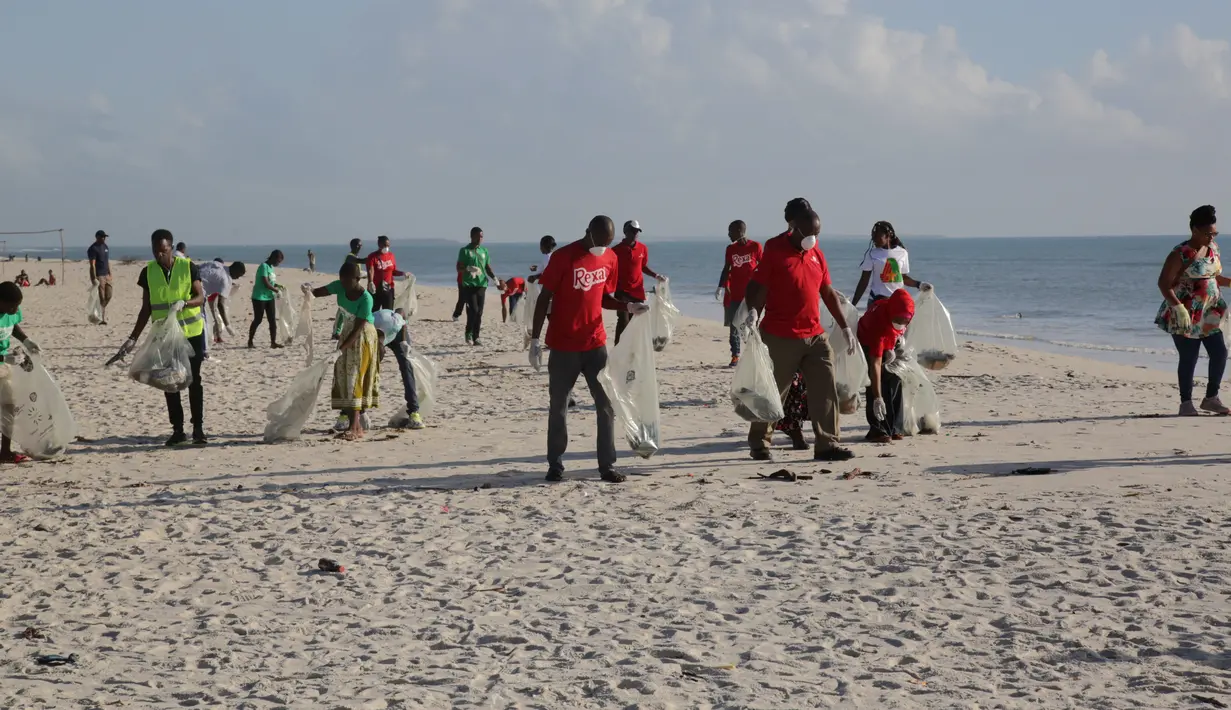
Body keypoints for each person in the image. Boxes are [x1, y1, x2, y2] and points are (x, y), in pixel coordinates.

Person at [529, 216, 646, 484]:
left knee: (606, 405)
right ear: (588, 233)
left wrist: (628, 307)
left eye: (608, 243)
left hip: (595, 344)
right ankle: (555, 465)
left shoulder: (610, 258)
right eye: (600, 242)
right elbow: (544, 297)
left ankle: (607, 466)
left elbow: (605, 297)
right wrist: (535, 339)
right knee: (558, 406)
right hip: (563, 345)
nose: (603, 247)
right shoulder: (563, 257)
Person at [743, 198, 856, 463]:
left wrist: (845, 327)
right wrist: (752, 312)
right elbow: (757, 286)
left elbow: (826, 292)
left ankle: (827, 444)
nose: (813, 239)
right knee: (772, 392)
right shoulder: (774, 249)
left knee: (825, 389)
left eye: (817, 234)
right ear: (793, 228)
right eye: (809, 234)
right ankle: (759, 443)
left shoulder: (817, 254)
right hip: (780, 334)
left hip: (815, 335)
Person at [114, 229, 208, 446]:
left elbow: (200, 296)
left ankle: (199, 429)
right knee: (169, 382)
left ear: (171, 247)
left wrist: (185, 303)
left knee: (194, 381)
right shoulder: (148, 272)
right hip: (165, 336)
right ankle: (178, 430)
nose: (159, 255)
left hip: (192, 333)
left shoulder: (187, 267)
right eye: (155, 251)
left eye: (163, 251)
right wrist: (133, 338)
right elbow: (145, 308)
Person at [1156, 205, 1229, 416]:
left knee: (1220, 353)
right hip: (1185, 311)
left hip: (1210, 311)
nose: (1211, 237)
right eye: (1208, 233)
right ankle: (1186, 403)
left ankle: (1211, 398)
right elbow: (1164, 283)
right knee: (1189, 357)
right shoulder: (1180, 253)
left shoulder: (1213, 248)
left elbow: (1213, 277)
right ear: (1195, 230)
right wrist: (1177, 307)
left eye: (1214, 233)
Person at [306, 262, 379, 440]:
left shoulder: (366, 298)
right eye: (342, 280)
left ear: (357, 279)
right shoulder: (339, 286)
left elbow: (358, 329)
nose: (344, 284)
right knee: (343, 375)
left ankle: (355, 427)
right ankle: (349, 417)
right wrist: (308, 290)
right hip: (346, 333)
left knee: (355, 377)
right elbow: (318, 293)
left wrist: (340, 350)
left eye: (348, 281)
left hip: (362, 337)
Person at [858, 289, 916, 442]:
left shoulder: (906, 314)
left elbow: (900, 330)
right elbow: (875, 364)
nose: (901, 322)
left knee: (896, 377)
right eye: (898, 319)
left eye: (904, 320)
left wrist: (891, 348)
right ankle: (878, 430)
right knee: (877, 382)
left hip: (888, 340)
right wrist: (878, 398)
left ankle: (895, 427)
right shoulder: (878, 321)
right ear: (892, 313)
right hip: (867, 342)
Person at [0, 281, 42, 463]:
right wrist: (3, 359)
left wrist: (25, 340)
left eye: (17, 306)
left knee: (9, 406)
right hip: (2, 361)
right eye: (11, 306)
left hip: (4, 364)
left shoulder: (12, 312)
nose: (15, 309)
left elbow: (13, 325)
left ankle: (5, 452)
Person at [612, 220, 667, 345]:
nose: (635, 233)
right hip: (622, 292)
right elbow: (610, 270)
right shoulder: (615, 251)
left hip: (637, 292)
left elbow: (643, 267)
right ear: (625, 232)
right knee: (623, 321)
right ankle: (618, 348)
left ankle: (633, 350)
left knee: (636, 323)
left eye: (637, 231)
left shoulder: (642, 248)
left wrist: (656, 275)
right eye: (633, 230)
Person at [851, 221, 930, 307]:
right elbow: (864, 281)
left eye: (877, 236)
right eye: (873, 236)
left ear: (888, 235)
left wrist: (919, 284)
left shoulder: (902, 252)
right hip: (877, 300)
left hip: (897, 300)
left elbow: (902, 278)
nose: (874, 239)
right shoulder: (872, 254)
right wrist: (853, 304)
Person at [716, 219, 762, 367]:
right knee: (734, 326)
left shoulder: (755, 247)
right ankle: (735, 355)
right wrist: (720, 286)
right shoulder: (730, 249)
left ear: (740, 231)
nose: (728, 234)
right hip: (735, 294)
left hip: (752, 295)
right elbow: (726, 268)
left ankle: (754, 354)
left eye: (731, 231)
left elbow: (764, 267)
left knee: (752, 325)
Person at [372, 307, 424, 430]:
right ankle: (358, 412)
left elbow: (401, 311)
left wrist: (404, 341)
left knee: (407, 368)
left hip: (399, 335)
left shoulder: (393, 323)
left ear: (384, 349)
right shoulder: (366, 333)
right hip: (378, 336)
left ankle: (414, 413)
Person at [456, 227, 504, 346]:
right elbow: (458, 268)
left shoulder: (484, 251)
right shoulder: (464, 251)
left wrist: (495, 279)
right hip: (468, 284)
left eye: (481, 236)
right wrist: (468, 268)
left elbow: (487, 267)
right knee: (473, 310)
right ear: (472, 236)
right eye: (478, 236)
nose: (480, 239)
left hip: (482, 284)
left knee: (479, 312)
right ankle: (468, 333)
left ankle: (476, 337)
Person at [198, 261, 246, 352]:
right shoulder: (226, 280)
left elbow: (197, 267)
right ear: (235, 270)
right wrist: (228, 326)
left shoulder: (217, 265)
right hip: (198, 294)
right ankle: (203, 351)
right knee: (204, 324)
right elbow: (221, 304)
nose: (238, 277)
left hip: (187, 284)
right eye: (239, 275)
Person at [248, 250, 286, 349]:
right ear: (273, 258)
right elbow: (265, 282)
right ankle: (250, 341)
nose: (278, 263)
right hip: (259, 297)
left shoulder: (271, 268)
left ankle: (273, 342)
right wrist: (276, 291)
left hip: (269, 297)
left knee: (272, 320)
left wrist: (278, 286)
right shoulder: (263, 266)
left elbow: (271, 282)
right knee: (258, 319)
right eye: (278, 261)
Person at [334, 238, 366, 340]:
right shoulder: (350, 257)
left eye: (361, 245)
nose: (360, 247)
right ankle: (336, 332)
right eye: (358, 245)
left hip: (355, 286)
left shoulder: (355, 257)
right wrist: (373, 257)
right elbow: (360, 261)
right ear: (353, 246)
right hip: (347, 285)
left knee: (352, 309)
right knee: (342, 309)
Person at [366, 235, 404, 311]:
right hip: (375, 288)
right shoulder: (372, 256)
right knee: (373, 311)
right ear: (379, 244)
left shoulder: (391, 256)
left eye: (388, 245)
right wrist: (370, 282)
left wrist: (403, 274)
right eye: (385, 245)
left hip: (388, 288)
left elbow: (393, 271)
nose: (386, 247)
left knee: (388, 312)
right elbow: (371, 270)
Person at [88, 230, 112, 324]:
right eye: (102, 237)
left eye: (104, 237)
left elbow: (107, 261)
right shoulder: (93, 249)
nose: (104, 238)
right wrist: (94, 278)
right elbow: (92, 264)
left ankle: (98, 312)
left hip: (107, 275)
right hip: (99, 275)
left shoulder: (106, 247)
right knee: (101, 297)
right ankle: (102, 318)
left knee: (109, 295)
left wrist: (110, 273)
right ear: (97, 237)